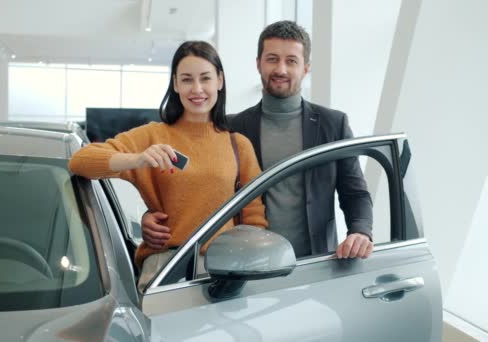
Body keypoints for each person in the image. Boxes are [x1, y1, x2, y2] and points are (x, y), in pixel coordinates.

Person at [142, 21, 374, 260]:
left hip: (315, 264)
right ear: (258, 64)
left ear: (306, 68)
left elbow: (354, 192)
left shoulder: (333, 124)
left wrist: (360, 231)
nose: (280, 69)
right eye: (272, 59)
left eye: (291, 61)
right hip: (246, 265)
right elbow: (195, 186)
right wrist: (151, 216)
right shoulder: (231, 129)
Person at [69, 41, 267, 292]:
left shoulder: (238, 146)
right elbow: (80, 161)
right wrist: (138, 158)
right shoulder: (153, 137)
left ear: (220, 81)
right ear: (175, 84)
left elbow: (254, 221)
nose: (197, 89)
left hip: (224, 272)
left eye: (205, 78)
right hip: (165, 270)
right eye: (186, 80)